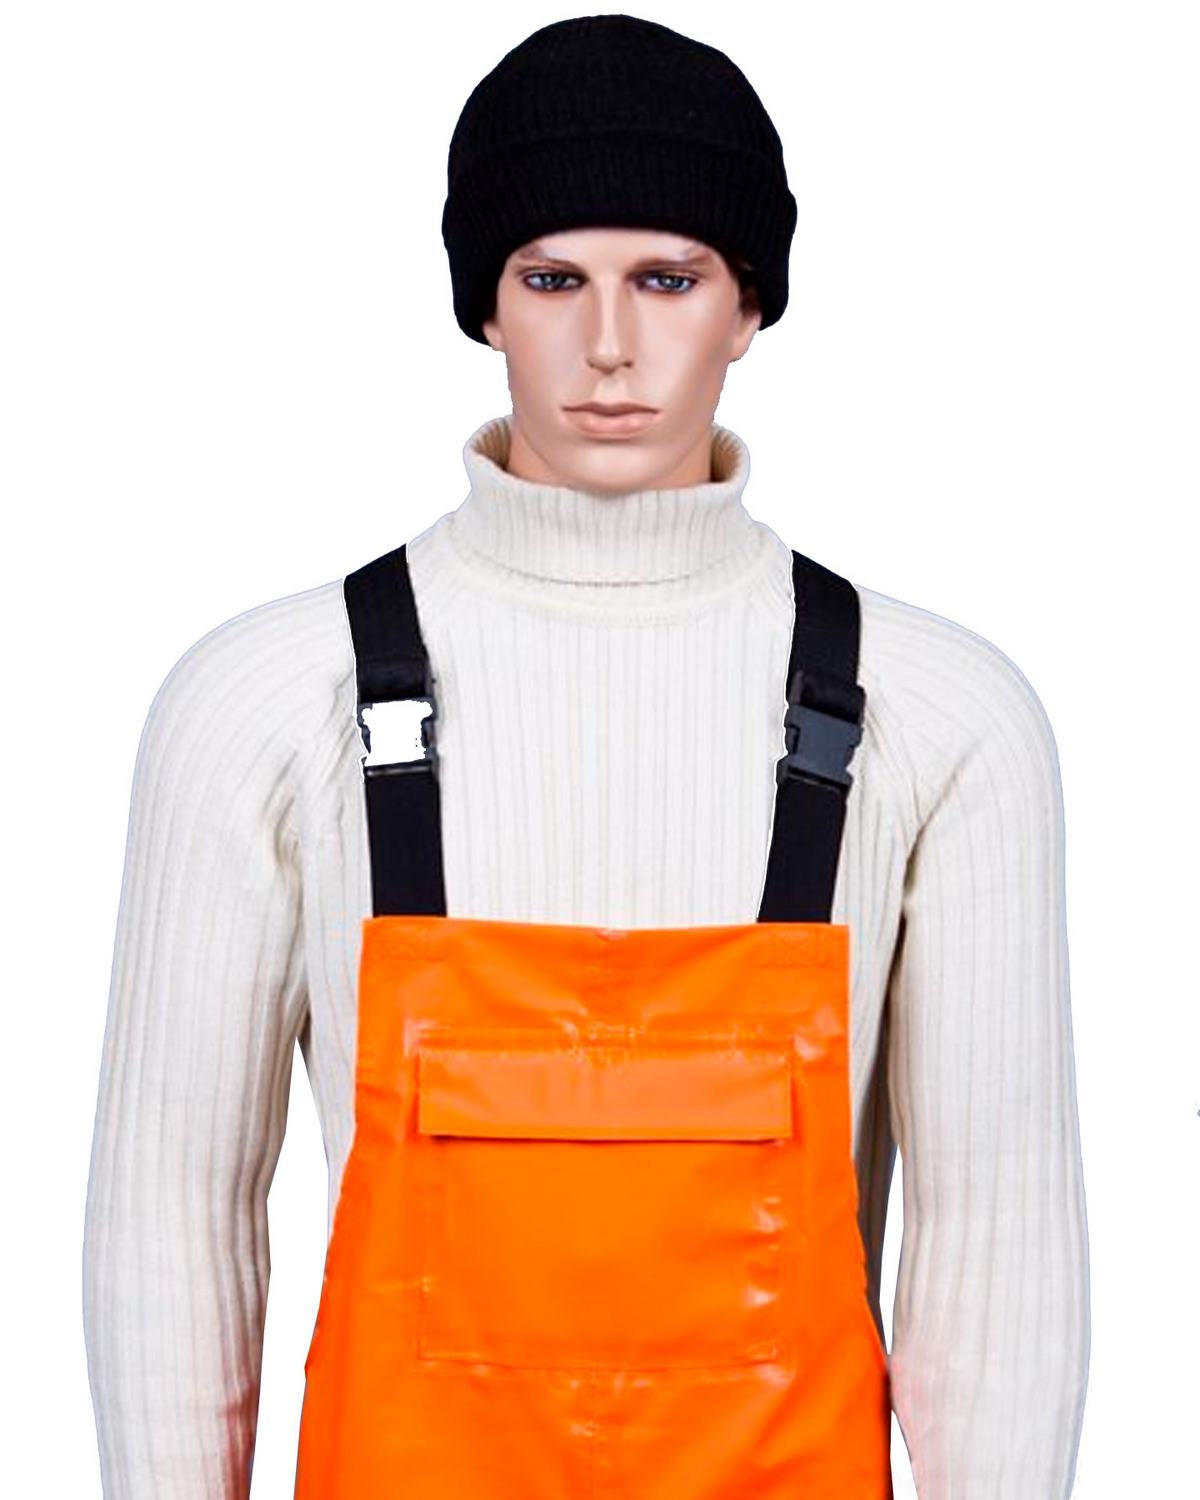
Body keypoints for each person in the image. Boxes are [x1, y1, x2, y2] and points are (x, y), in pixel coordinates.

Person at [82, 14, 1090, 1499]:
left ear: (749, 307)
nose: (610, 344)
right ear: (485, 308)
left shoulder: (939, 717)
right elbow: (171, 1219)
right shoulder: (264, 704)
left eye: (669, 279)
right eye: (551, 279)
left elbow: (999, 1241)